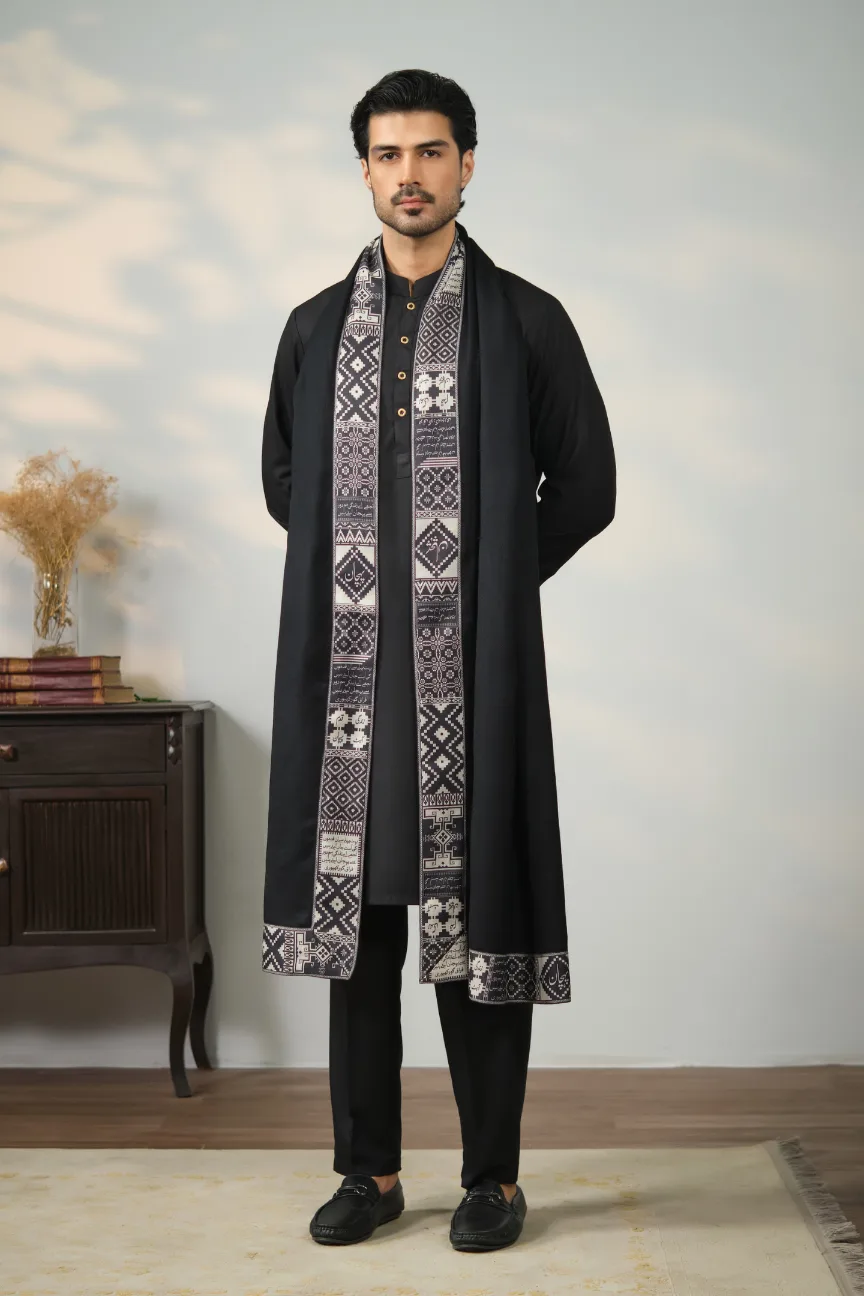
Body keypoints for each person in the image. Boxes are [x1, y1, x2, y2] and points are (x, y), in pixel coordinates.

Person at [260, 68, 616, 1252]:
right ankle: (367, 1172)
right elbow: (285, 482)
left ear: (467, 163)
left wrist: (487, 584)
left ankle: (492, 1181)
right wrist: (370, 576)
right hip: (349, 680)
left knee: (482, 924)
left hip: (479, 676)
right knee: (359, 932)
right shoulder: (315, 328)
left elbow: (588, 485)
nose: (407, 175)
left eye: (428, 152)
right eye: (386, 154)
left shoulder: (526, 322)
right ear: (363, 169)